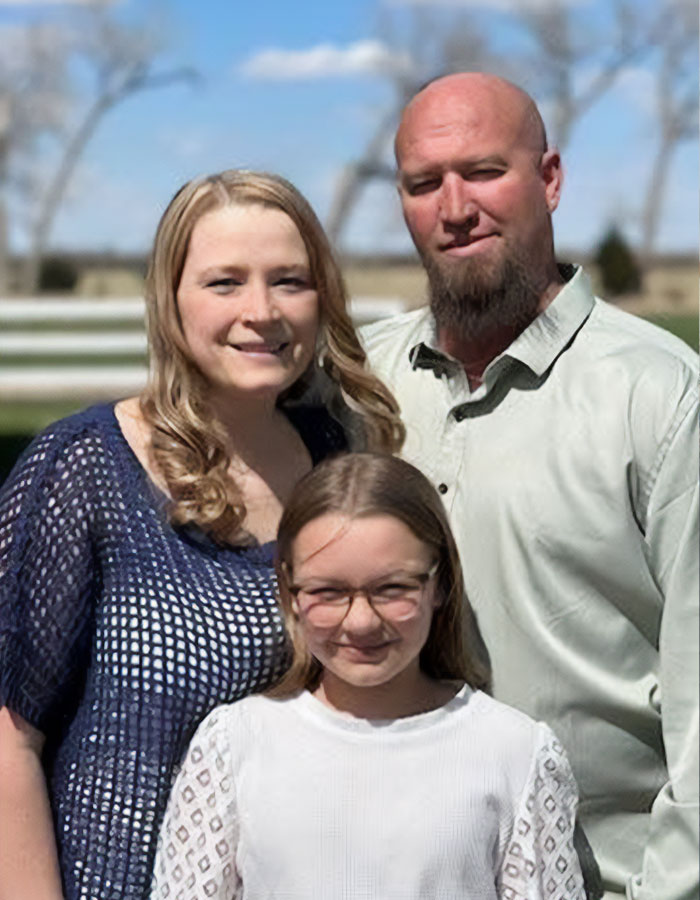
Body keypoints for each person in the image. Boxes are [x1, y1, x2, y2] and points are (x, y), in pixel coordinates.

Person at [0, 170, 403, 900]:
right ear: (171, 300)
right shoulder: (85, 468)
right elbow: (9, 738)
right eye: (225, 282)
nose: (262, 311)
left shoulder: (339, 463)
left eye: (289, 281)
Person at [360, 73, 699, 900]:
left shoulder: (660, 396)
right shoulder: (360, 383)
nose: (455, 207)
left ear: (549, 179)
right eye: (424, 184)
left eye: (483, 172)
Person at [150, 451, 586, 900]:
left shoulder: (515, 754)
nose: (361, 622)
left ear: (440, 584)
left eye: (392, 589)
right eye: (328, 591)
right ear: (291, 591)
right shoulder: (235, 744)